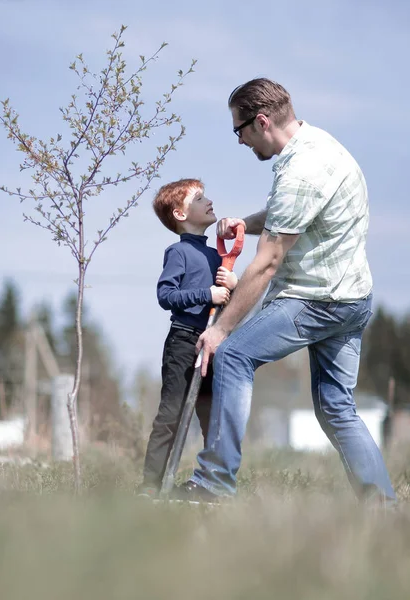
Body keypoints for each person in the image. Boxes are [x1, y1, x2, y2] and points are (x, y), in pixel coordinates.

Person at [176, 78, 396, 505]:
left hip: (317, 301)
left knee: (234, 355)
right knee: (336, 408)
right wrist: (246, 222)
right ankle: (383, 508)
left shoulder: (298, 173)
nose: (239, 141)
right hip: (352, 300)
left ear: (261, 122)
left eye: (239, 130)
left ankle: (214, 484)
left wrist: (221, 329)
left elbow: (267, 263)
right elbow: (292, 217)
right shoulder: (320, 145)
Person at [138, 178, 237, 498]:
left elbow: (228, 305)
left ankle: (212, 484)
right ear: (180, 215)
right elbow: (166, 295)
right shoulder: (178, 252)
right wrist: (207, 292)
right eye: (198, 199)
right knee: (171, 415)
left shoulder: (215, 255)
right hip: (183, 341)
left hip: (213, 342)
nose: (208, 201)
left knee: (212, 416)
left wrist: (232, 285)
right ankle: (151, 488)